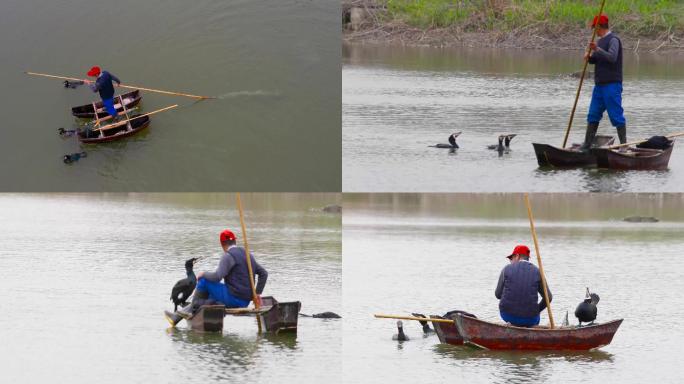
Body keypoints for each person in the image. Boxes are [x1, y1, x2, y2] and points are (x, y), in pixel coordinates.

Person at [165, 229, 268, 325]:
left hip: (234, 299)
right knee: (210, 296)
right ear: (235, 242)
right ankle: (177, 317)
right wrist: (257, 293)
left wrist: (203, 273)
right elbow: (264, 273)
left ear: (222, 243)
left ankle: (193, 311)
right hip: (245, 301)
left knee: (204, 281)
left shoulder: (228, 256)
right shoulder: (247, 254)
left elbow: (217, 277)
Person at [580, 14, 626, 151]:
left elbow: (612, 57)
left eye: (594, 28)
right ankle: (587, 145)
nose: (594, 31)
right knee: (593, 114)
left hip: (612, 85)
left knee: (616, 115)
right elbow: (597, 59)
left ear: (599, 27)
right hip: (599, 86)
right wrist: (589, 58)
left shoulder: (614, 40)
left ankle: (623, 146)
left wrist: (597, 49)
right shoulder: (599, 42)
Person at [495, 245, 552, 327]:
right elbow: (548, 297)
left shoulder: (506, 269)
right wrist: (536, 311)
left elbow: (498, 295)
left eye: (511, 258)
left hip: (507, 316)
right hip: (531, 319)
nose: (510, 261)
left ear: (517, 256)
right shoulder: (538, 271)